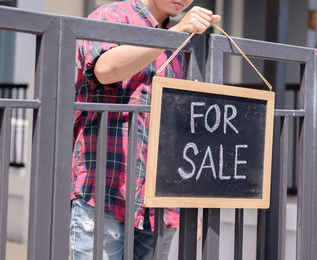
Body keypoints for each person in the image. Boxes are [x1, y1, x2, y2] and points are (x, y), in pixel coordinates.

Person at [70, 0, 220, 259]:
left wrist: (188, 203)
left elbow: (177, 128)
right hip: (104, 189)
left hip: (159, 202)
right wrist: (172, 35)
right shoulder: (112, 15)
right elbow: (105, 70)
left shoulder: (181, 38)